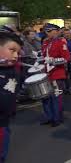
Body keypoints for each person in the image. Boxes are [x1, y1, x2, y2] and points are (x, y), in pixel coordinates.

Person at [40, 23, 71, 127]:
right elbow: (44, 56)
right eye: (46, 32)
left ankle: (57, 118)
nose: (47, 33)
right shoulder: (45, 43)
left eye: (49, 31)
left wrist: (54, 61)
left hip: (57, 73)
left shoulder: (60, 42)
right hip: (47, 73)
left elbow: (66, 58)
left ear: (55, 31)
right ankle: (49, 117)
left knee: (56, 97)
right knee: (47, 97)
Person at [0, 32, 23, 162]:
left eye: (18, 52)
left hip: (4, 121)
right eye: (12, 50)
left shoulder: (13, 69)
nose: (15, 56)